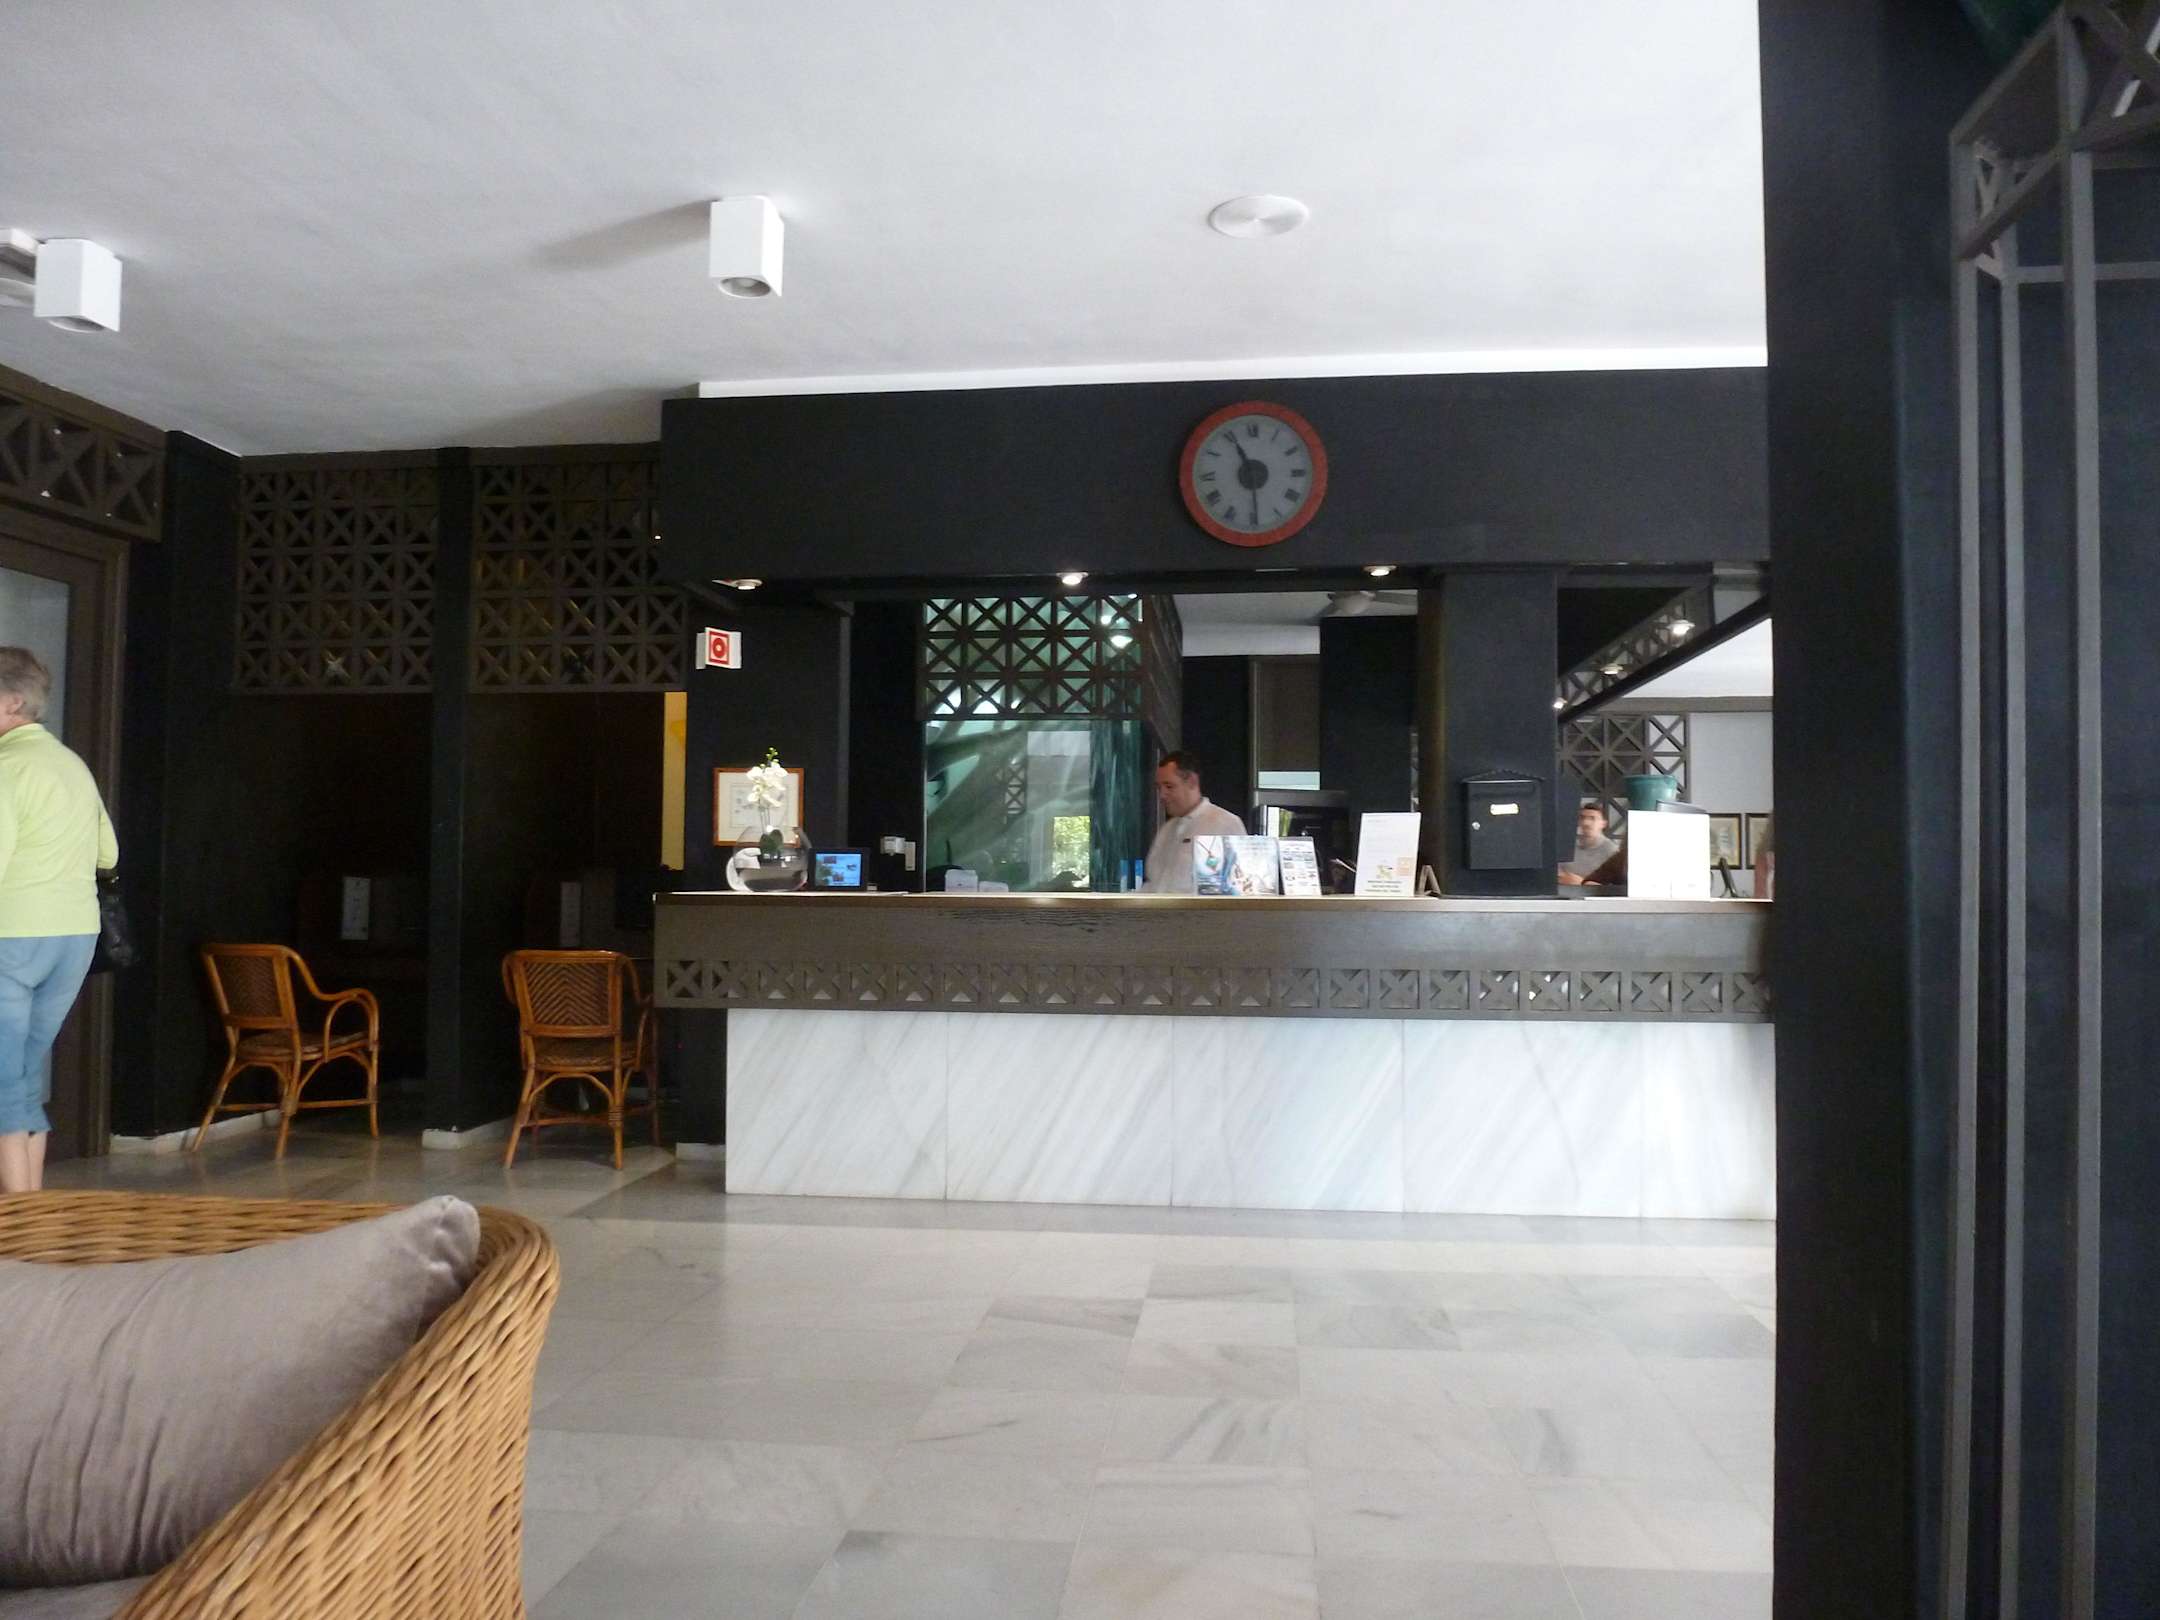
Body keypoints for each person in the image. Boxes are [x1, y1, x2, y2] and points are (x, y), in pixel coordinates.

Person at [0, 647, 116, 1193]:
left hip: (13, 935)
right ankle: (34, 1209)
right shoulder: (72, 765)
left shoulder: (8, 768)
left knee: (6, 1081)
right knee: (22, 1074)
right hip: (74, 936)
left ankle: (19, 1223)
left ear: (11, 702)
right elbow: (108, 854)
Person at [1140, 750, 1245, 894]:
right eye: (1159, 787)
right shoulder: (1166, 830)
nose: (1162, 795)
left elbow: (1238, 887)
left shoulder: (1224, 823)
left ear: (1192, 782)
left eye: (1169, 786)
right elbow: (1153, 885)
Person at [1557, 801, 1620, 887]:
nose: (1586, 822)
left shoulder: (1612, 852)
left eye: (1592, 818)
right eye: (1582, 818)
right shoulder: (1567, 847)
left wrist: (1582, 883)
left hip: (1595, 895)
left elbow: (1617, 887)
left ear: (1603, 824)